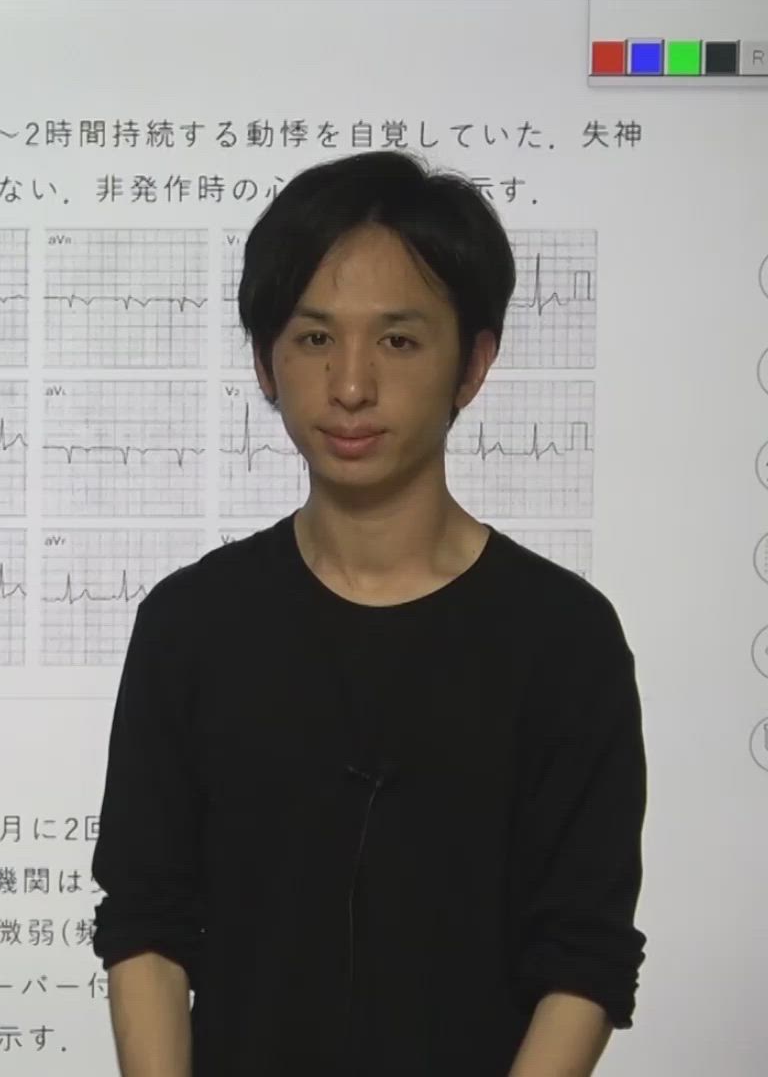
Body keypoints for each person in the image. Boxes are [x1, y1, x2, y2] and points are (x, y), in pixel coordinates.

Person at [89, 149, 647, 1076]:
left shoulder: (565, 638)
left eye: (398, 341)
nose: (350, 386)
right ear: (265, 362)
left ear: (473, 363)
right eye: (314, 338)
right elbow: (145, 922)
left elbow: (584, 957)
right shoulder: (191, 624)